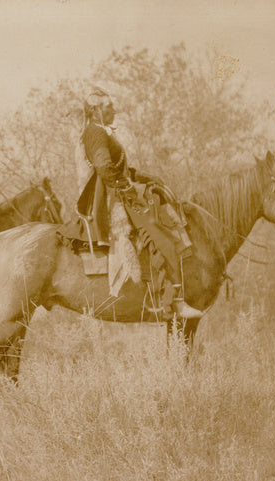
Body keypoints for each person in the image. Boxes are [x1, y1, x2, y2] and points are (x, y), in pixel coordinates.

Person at [76, 88, 203, 319]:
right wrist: (128, 189)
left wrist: (146, 178)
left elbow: (120, 169)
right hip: (111, 199)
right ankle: (172, 300)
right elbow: (104, 167)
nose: (114, 109)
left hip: (116, 191)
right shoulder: (95, 132)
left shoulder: (100, 131)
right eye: (108, 106)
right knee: (160, 234)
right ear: (96, 110)